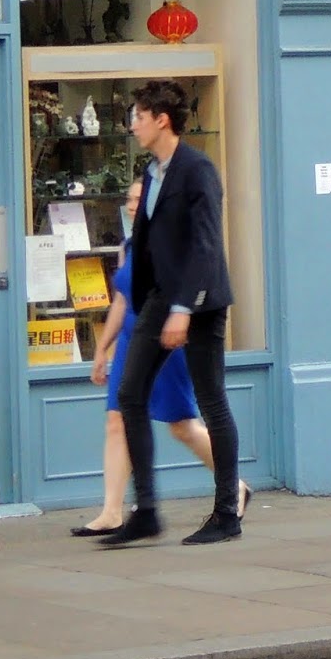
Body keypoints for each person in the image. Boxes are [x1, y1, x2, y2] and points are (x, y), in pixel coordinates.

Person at [102, 79, 241, 547]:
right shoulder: (152, 171)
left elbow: (205, 245)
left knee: (211, 401)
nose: (133, 125)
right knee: (129, 394)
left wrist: (183, 310)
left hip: (199, 301)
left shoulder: (198, 170)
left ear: (161, 119)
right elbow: (147, 241)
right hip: (159, 297)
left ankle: (227, 513)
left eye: (138, 116)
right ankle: (146, 512)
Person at [71, 178, 250, 536]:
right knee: (116, 420)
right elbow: (121, 300)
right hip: (129, 341)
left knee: (181, 426)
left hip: (165, 339)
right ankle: (111, 512)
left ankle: (234, 486)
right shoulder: (129, 245)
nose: (132, 204)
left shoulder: (170, 243)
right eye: (130, 198)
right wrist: (101, 349)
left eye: (140, 198)